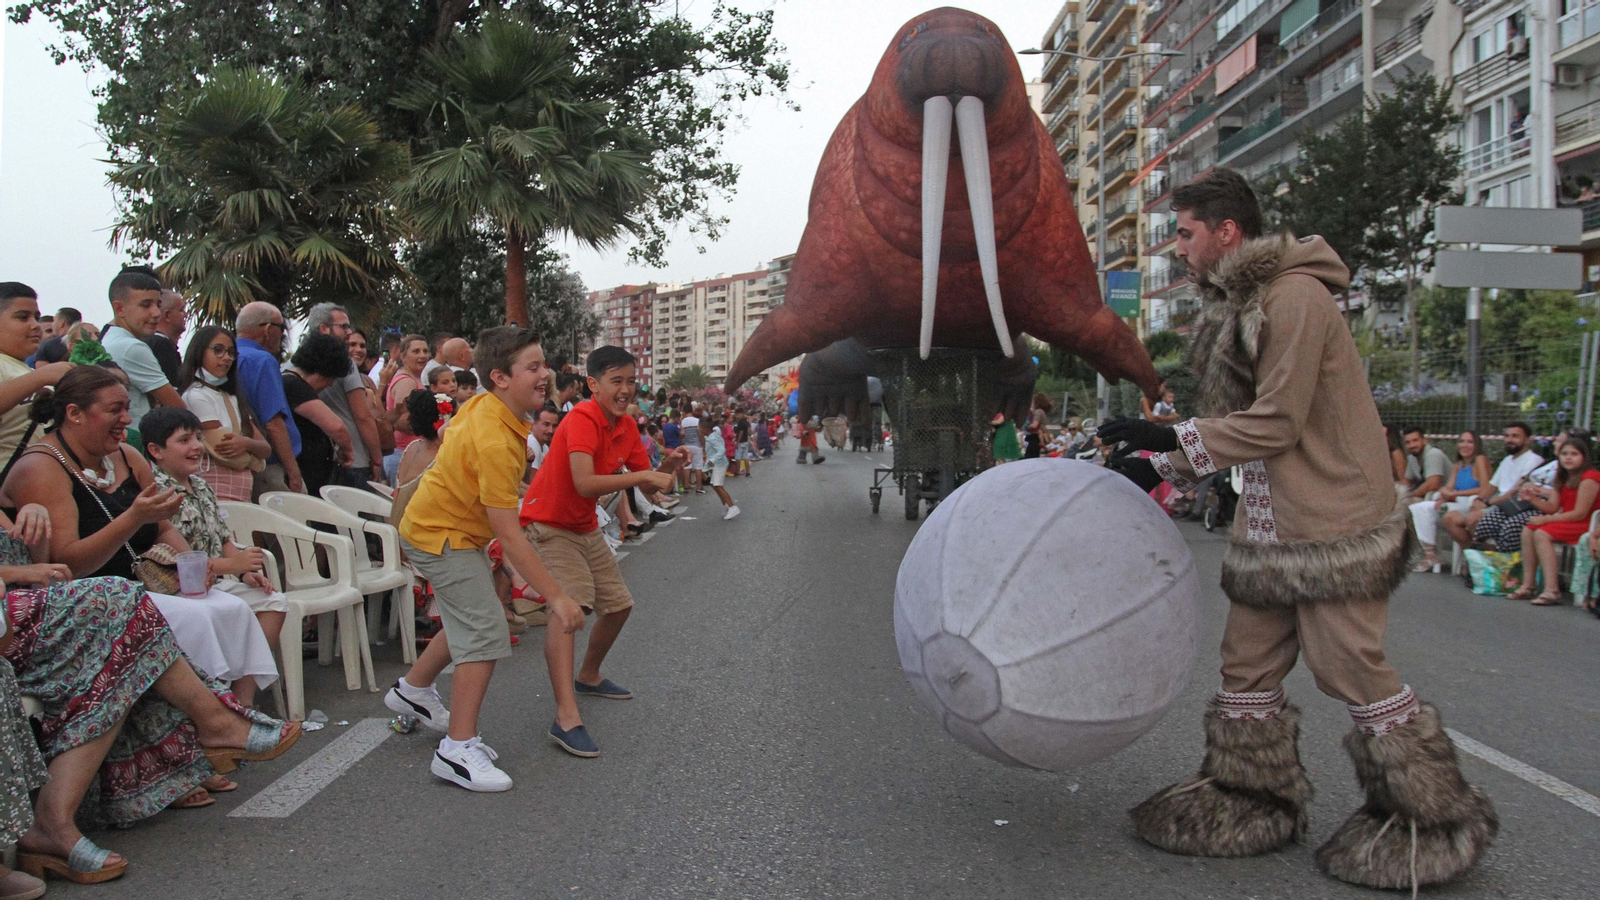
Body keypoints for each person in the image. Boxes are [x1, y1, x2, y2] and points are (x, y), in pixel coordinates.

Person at [1103, 168, 1494, 889]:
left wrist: (1171, 446)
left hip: (1330, 519)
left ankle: (1432, 815)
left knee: (1346, 663)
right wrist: (1161, 464)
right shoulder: (1248, 303)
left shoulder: (1295, 298)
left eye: (1185, 234)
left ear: (1226, 232)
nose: (1178, 250)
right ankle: (1251, 796)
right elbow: (1245, 426)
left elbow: (1277, 421)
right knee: (1246, 663)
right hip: (1272, 520)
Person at [2, 500, 299, 880]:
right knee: (118, 598)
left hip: (22, 609)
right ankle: (215, 724)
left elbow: (43, 568)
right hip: (13, 618)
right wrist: (17, 570)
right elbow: (56, 567)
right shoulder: (39, 469)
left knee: (117, 654)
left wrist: (34, 520)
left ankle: (52, 822)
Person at [4, 366, 278, 708]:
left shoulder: (126, 456)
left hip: (149, 583)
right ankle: (210, 717)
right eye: (114, 409)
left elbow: (163, 526)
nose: (126, 418)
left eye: (126, 407)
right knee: (199, 617)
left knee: (232, 607)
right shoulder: (42, 467)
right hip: (95, 600)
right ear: (74, 414)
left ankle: (238, 708)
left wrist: (195, 565)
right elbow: (67, 564)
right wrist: (133, 518)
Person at [384, 325, 583, 792]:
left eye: (544, 364)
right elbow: (509, 534)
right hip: (440, 536)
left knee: (469, 617)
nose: (545, 374)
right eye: (532, 367)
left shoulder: (488, 407)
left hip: (439, 529)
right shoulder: (495, 435)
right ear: (500, 377)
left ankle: (412, 690)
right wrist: (557, 598)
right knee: (484, 631)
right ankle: (456, 750)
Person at [520, 346, 688, 758]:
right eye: (617, 381)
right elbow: (584, 482)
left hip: (584, 525)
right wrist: (645, 474)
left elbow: (647, 485)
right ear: (593, 385)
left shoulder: (626, 425)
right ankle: (565, 717)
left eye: (631, 381)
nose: (626, 389)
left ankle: (588, 676)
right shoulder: (582, 417)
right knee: (570, 609)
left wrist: (668, 466)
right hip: (550, 524)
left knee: (618, 606)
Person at [142, 407, 287, 704]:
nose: (196, 446)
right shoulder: (154, 493)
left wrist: (245, 572)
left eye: (197, 438)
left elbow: (222, 537)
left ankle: (242, 700)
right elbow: (175, 557)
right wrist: (231, 564)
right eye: (184, 440)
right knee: (225, 612)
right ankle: (217, 703)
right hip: (178, 589)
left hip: (214, 582)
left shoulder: (201, 485)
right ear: (156, 451)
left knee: (274, 601)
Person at [178, 325, 271, 502]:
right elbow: (226, 453)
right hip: (214, 489)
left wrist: (245, 443)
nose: (226, 357)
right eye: (218, 350)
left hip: (241, 492)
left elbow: (266, 448)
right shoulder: (195, 395)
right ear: (199, 351)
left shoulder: (231, 397)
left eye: (230, 352)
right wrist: (257, 461)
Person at [1511, 435, 1600, 605]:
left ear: (1584, 457)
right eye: (1564, 454)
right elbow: (1553, 506)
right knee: (1528, 529)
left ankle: (1552, 590)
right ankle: (1528, 585)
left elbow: (1580, 513)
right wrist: (1533, 499)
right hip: (1568, 520)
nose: (1568, 458)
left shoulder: (1590, 477)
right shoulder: (1562, 477)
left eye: (1574, 454)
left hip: (1587, 523)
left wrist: (1546, 520)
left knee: (1542, 533)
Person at [100, 269, 185, 445]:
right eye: (146, 305)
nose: (156, 313)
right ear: (119, 308)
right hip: (135, 442)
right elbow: (178, 408)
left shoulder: (110, 338)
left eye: (158, 304)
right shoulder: (131, 347)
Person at [307, 303, 386, 488]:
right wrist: (376, 458)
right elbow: (363, 416)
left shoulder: (295, 365)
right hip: (353, 460)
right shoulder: (345, 364)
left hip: (316, 458)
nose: (349, 332)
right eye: (343, 326)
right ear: (324, 328)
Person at [0, 284, 73, 472]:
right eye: (22, 317)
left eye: (36, 317)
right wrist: (42, 376)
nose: (35, 325)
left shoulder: (25, 370)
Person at [234, 301, 304, 495]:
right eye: (281, 328)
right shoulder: (262, 361)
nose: (283, 334)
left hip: (243, 462)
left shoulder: (228, 356)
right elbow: (273, 422)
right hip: (271, 467)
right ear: (266, 329)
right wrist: (293, 472)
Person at [1443, 422, 1543, 551]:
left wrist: (1487, 503)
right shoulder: (1507, 460)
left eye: (1515, 436)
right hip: (1497, 504)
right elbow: (1491, 487)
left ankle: (1483, 556)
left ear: (1527, 439)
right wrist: (1478, 500)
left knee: (1473, 519)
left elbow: (1515, 492)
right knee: (1449, 519)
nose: (1510, 440)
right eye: (1507, 436)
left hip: (1514, 507)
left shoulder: (1533, 460)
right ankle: (1479, 554)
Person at [282, 334, 355, 498]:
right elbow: (336, 426)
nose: (330, 384)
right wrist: (347, 449)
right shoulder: (294, 386)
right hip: (305, 473)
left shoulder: (289, 382)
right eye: (331, 378)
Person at [1409, 431, 1493, 572]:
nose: (1464, 445)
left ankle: (1471, 556)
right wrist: (1442, 496)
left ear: (1476, 445)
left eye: (1470, 442)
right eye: (1462, 441)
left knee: (1443, 512)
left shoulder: (1480, 460)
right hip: (1456, 503)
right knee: (1419, 508)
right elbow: (1448, 487)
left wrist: (1454, 493)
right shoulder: (1458, 465)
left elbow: (1485, 488)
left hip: (1473, 503)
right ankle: (1430, 554)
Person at [383, 334, 430, 484]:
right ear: (403, 356)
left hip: (409, 453)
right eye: (416, 351)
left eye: (425, 351)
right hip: (404, 454)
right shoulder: (406, 382)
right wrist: (433, 424)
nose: (422, 355)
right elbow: (401, 422)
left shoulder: (412, 378)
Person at [703, 410, 741, 519]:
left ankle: (732, 507)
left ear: (705, 428)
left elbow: (721, 450)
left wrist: (712, 460)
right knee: (714, 485)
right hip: (717, 463)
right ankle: (726, 505)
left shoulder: (713, 437)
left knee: (718, 486)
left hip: (719, 463)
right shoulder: (711, 436)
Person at [146, 288, 185, 386]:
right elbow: (173, 387)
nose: (185, 315)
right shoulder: (162, 346)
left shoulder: (147, 342)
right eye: (181, 310)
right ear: (167, 315)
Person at [1401, 426, 1451, 500]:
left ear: (1424, 440)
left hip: (1447, 496)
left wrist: (1409, 495)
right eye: (1408, 442)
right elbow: (1406, 483)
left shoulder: (1433, 454)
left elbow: (1432, 485)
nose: (1412, 445)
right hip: (1433, 496)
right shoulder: (1412, 458)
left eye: (1415, 440)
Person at [680, 407, 705, 491]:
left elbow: (681, 434)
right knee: (698, 466)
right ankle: (699, 486)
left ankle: (686, 485)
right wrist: (703, 444)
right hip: (696, 445)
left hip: (686, 445)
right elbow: (700, 433)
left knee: (687, 466)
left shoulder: (682, 422)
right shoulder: (697, 421)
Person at [1024, 393, 1054, 459]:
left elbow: (1035, 425)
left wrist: (1026, 427)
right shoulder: (1042, 412)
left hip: (1036, 437)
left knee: (1030, 457)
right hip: (1040, 437)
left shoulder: (1038, 412)